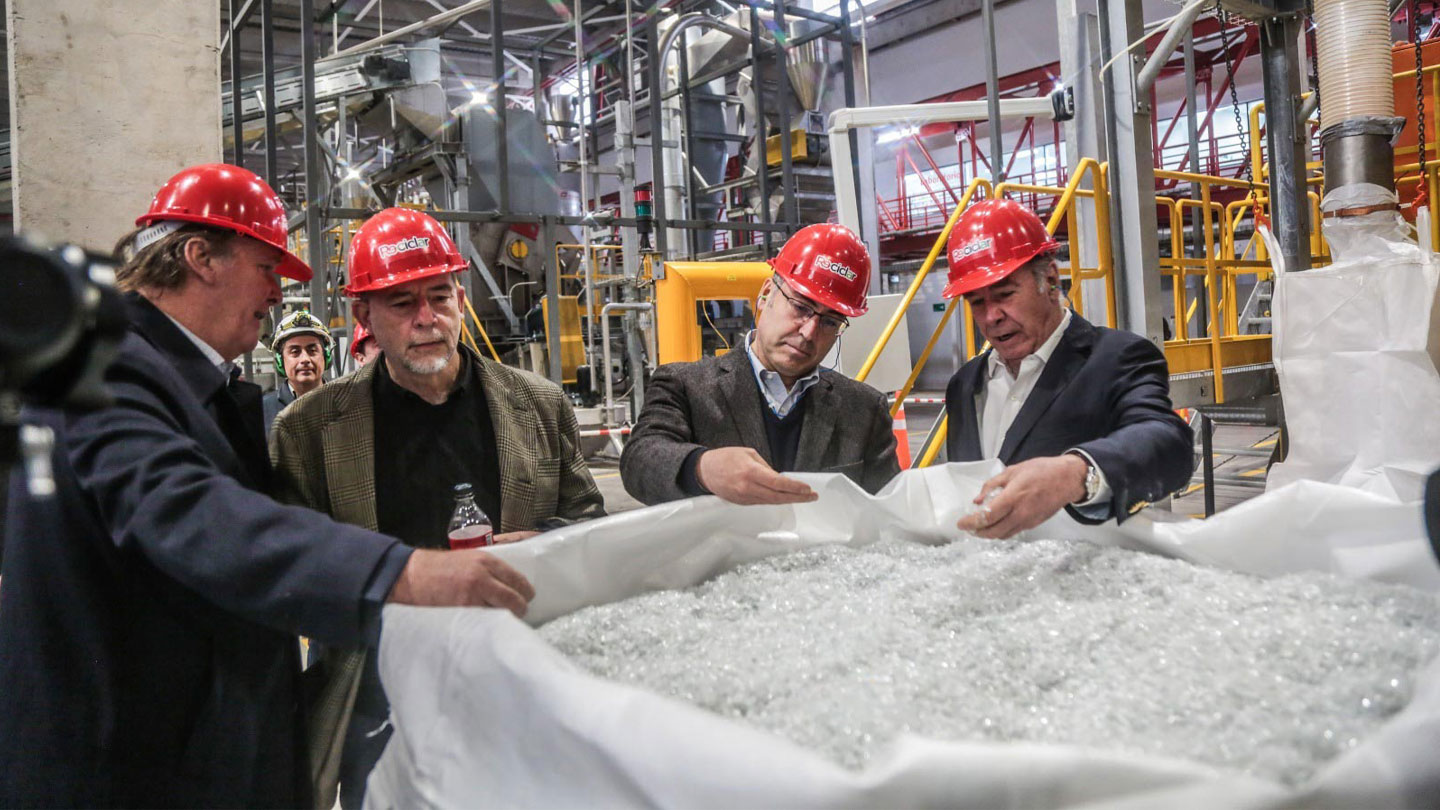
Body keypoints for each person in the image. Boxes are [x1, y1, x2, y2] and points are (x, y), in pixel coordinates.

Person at [0, 164, 534, 808]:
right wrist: (400, 574)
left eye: (440, 295)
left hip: (187, 746)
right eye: (267, 268)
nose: (278, 294)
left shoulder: (189, 382)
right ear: (200, 257)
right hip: (130, 763)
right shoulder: (112, 369)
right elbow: (188, 511)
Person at [270, 206, 606, 808]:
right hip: (376, 688)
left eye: (440, 296)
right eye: (402, 303)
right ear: (364, 314)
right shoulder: (310, 430)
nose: (427, 319)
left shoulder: (538, 404)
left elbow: (590, 527)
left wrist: (541, 544)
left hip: (514, 671)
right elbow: (293, 566)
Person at [941, 199, 1192, 539]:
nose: (991, 316)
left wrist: (1076, 473)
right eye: (977, 302)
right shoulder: (964, 385)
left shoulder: (1116, 358)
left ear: (1050, 280)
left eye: (1005, 294)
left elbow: (1168, 442)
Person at [621, 223, 900, 506]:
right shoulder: (684, 386)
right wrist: (701, 467)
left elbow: (888, 510)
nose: (809, 332)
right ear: (766, 294)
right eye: (801, 307)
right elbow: (638, 460)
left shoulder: (863, 410)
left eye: (830, 321)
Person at [263, 309, 334, 430]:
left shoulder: (346, 404)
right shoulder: (262, 411)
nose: (305, 359)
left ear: (326, 356)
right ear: (280, 360)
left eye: (312, 351)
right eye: (295, 352)